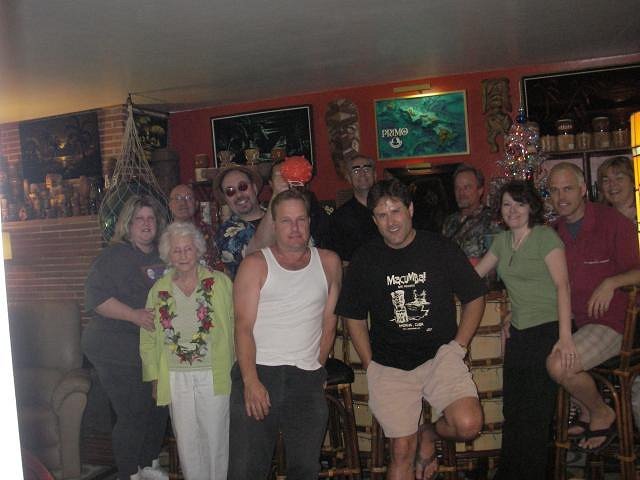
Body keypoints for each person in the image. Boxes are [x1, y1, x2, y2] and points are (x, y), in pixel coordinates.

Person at [336, 179, 486, 480]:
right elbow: (353, 316)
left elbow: (475, 297)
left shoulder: (440, 248)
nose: (391, 221)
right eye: (382, 215)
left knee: (468, 424)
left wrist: (458, 347)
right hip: (391, 366)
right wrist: (370, 364)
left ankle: (428, 434)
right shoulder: (365, 258)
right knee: (402, 451)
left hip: (440, 358)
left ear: (411, 210)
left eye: (396, 211)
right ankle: (415, 440)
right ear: (374, 220)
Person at [228, 189, 342, 479]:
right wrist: (250, 381)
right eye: (286, 221)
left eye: (301, 220)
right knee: (247, 469)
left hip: (305, 375)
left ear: (309, 222)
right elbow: (242, 326)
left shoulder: (329, 262)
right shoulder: (255, 264)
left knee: (305, 469)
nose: (295, 228)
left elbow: (329, 322)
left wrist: (316, 368)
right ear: (274, 224)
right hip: (259, 370)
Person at [474, 180, 573, 479]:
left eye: (519, 204)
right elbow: (474, 276)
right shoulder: (502, 241)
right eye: (507, 204)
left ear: (531, 207)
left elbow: (563, 286)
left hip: (547, 330)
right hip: (518, 332)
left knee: (535, 413)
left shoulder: (545, 237)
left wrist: (565, 337)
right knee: (513, 410)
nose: (513, 210)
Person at [545, 162, 640, 453]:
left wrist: (612, 282)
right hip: (573, 322)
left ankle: (600, 412)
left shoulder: (613, 223)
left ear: (583, 189)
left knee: (559, 365)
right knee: (530, 353)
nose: (561, 197)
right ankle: (585, 409)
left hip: (611, 322)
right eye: (554, 190)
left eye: (568, 189)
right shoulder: (552, 232)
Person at [83, 195, 169, 480]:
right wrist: (133, 315)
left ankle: (148, 468)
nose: (146, 223)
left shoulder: (162, 255)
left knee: (158, 409)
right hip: (115, 346)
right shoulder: (113, 256)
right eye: (139, 219)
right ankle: (129, 474)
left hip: (150, 348)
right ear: (127, 225)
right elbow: (96, 299)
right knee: (134, 412)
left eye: (151, 218)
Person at [140, 222, 234, 480]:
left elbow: (236, 325)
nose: (183, 255)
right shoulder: (158, 290)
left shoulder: (220, 283)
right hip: (174, 375)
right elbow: (148, 336)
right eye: (177, 250)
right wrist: (154, 377)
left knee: (216, 439)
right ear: (168, 255)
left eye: (188, 249)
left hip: (213, 372)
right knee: (186, 442)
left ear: (198, 250)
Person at [213, 164, 270, 279]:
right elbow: (255, 256)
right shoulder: (224, 234)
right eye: (230, 191)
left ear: (254, 188)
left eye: (243, 186)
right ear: (226, 199)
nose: (239, 195)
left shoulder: (281, 217)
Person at [327, 154, 380, 262]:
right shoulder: (339, 218)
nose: (362, 174)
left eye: (366, 169)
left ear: (375, 175)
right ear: (348, 178)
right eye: (356, 171)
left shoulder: (390, 210)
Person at [442, 163, 497, 260]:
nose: (461, 193)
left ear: (480, 190)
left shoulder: (491, 220)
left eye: (466, 187)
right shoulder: (449, 222)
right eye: (457, 188)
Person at [168, 184, 218, 269]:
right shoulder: (163, 235)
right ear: (170, 205)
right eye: (177, 198)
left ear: (196, 204)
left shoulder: (210, 232)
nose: (183, 203)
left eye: (188, 198)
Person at [597, 155, 636, 222]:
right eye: (606, 180)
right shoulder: (598, 218)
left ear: (633, 182)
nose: (612, 184)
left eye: (619, 178)